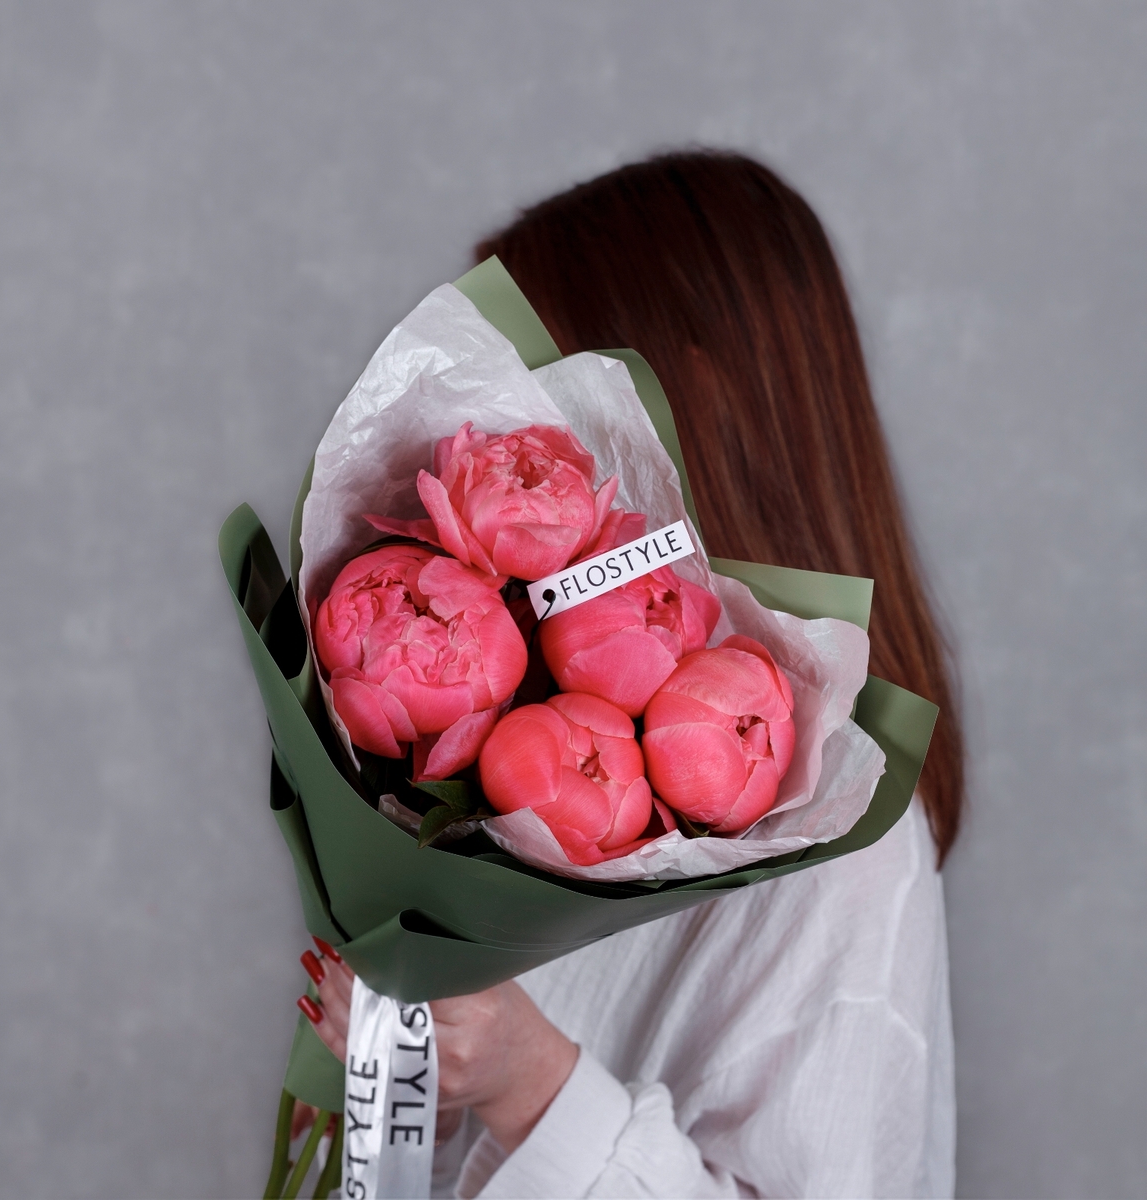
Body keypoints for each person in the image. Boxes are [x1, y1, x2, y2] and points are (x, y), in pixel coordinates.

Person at [294, 150, 964, 1198]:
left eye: (543, 370)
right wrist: (401, 1050)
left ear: (696, 393)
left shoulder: (847, 846)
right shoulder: (539, 720)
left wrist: (528, 1080)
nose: (505, 424)